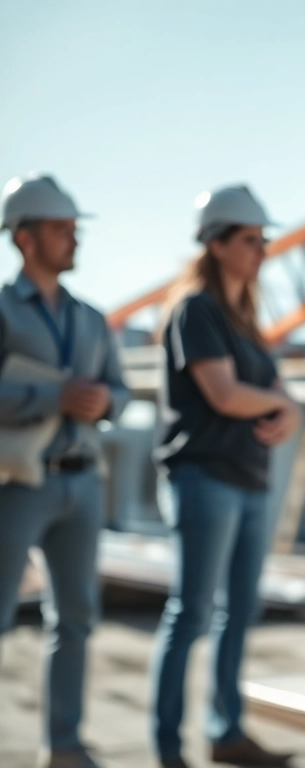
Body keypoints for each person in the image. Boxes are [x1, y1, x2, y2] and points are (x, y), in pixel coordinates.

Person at [149, 185, 301, 768]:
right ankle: (168, 747)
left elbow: (278, 396)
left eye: (264, 240)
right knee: (191, 612)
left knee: (239, 612)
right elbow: (225, 393)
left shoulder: (247, 323)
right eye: (250, 240)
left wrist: (282, 406)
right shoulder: (197, 311)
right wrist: (279, 405)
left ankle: (227, 732)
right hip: (205, 478)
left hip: (250, 480)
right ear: (216, 244)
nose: (262, 250)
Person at [0, 175, 129, 768]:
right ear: (24, 238)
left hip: (83, 481)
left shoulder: (93, 320)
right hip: (17, 483)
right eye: (61, 229)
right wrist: (52, 398)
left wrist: (105, 402)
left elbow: (121, 391)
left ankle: (66, 746)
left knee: (76, 618)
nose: (73, 239)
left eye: (75, 229)